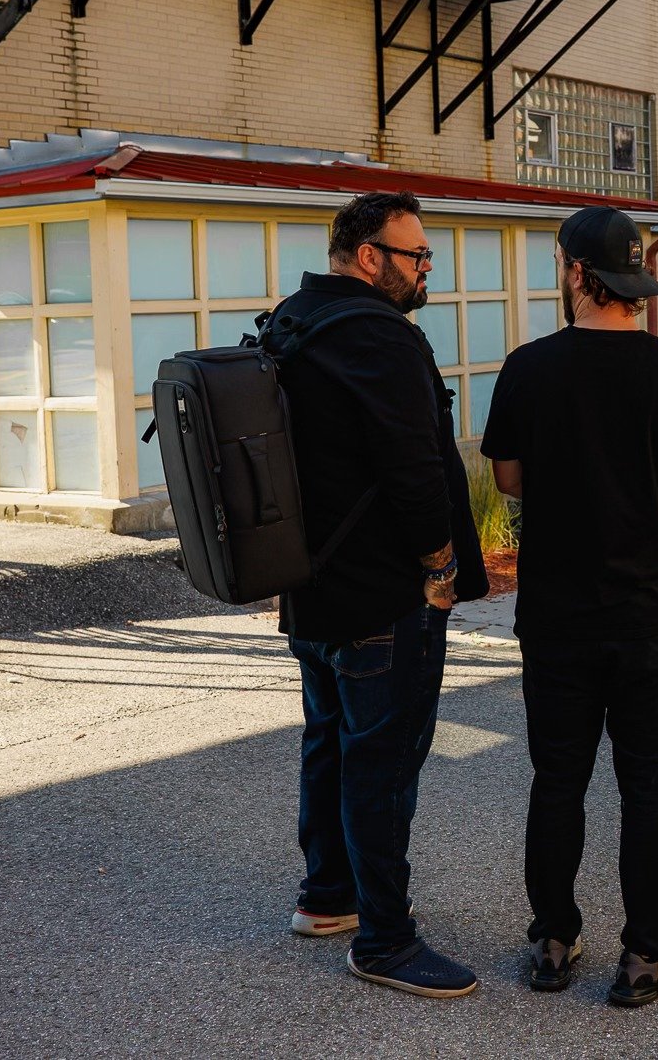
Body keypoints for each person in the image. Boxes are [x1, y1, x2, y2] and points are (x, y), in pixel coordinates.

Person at [481, 206, 658, 1008]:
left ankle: (553, 942)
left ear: (576, 272)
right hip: (648, 615)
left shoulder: (527, 368)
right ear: (633, 279)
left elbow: (509, 480)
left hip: (555, 614)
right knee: (646, 787)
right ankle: (645, 958)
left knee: (557, 779)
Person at [277, 190, 490, 999]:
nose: (427, 267)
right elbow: (413, 467)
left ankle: (327, 896)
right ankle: (386, 940)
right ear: (370, 257)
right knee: (383, 761)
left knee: (330, 740)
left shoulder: (296, 319)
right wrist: (440, 565)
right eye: (416, 254)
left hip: (313, 588)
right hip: (380, 593)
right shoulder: (379, 335)